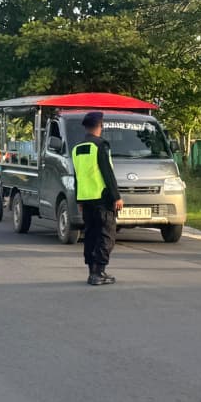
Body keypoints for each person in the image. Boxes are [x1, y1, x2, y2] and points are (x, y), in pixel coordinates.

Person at [71, 111, 123, 286]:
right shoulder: (100, 145)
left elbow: (77, 176)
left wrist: (79, 199)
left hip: (85, 198)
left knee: (91, 235)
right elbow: (107, 172)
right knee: (106, 235)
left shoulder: (77, 148)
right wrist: (116, 196)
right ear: (100, 126)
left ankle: (92, 271)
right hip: (102, 198)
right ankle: (99, 272)